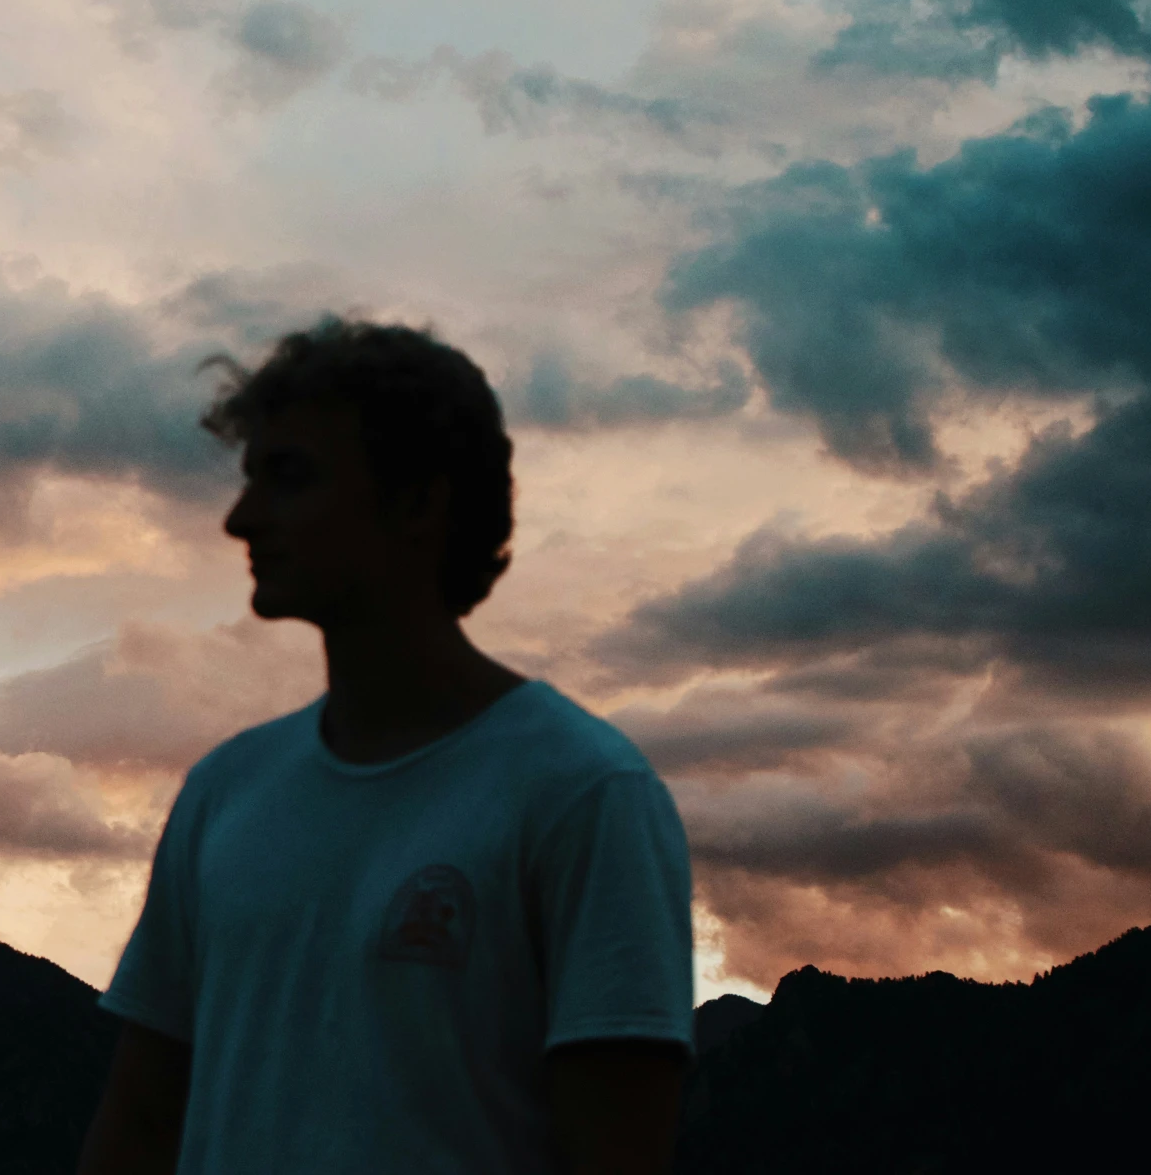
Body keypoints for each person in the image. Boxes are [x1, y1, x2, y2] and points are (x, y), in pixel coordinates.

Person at [77, 319, 695, 1175]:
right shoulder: (225, 790)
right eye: (250, 479)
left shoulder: (582, 792)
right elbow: (141, 1123)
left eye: (288, 479)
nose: (240, 518)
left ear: (417, 501)